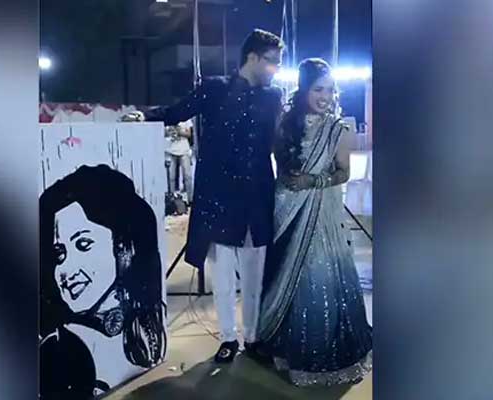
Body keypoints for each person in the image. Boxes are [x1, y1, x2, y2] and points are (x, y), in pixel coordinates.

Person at [123, 29, 284, 363]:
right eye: (272, 62)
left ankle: (252, 338)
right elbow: (177, 112)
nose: (276, 69)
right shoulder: (215, 89)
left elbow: (279, 141)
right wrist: (143, 116)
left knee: (255, 274)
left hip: (258, 194)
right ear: (252, 57)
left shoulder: (273, 96)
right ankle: (228, 338)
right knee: (223, 274)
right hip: (221, 196)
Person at [258, 58, 373, 386]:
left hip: (321, 215)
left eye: (330, 89)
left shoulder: (340, 128)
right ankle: (285, 349)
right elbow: (281, 165)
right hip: (285, 211)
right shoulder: (284, 122)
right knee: (286, 278)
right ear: (304, 89)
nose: (325, 96)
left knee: (318, 277)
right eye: (318, 89)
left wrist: (310, 182)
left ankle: (320, 355)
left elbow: (344, 174)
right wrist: (290, 182)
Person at [39, 165, 167, 399]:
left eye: (83, 244)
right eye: (59, 254)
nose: (65, 270)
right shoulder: (56, 352)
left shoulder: (144, 330)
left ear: (124, 248)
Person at [164, 121, 194, 202]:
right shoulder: (169, 118)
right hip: (170, 150)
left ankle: (190, 199)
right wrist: (169, 131)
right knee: (171, 177)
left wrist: (180, 132)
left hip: (184, 150)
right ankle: (172, 200)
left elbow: (189, 134)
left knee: (187, 176)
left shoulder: (187, 120)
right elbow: (163, 132)